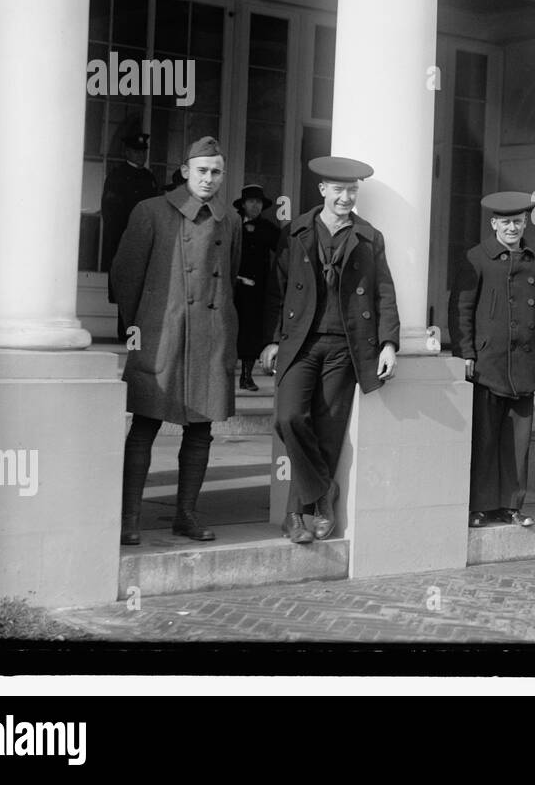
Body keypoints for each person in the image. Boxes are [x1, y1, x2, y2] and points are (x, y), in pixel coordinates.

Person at [260, 157, 399, 544]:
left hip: (346, 346)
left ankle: (295, 516)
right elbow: (277, 291)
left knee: (327, 430)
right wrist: (271, 339)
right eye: (338, 190)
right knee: (288, 418)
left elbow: (384, 292)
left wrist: (389, 343)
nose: (345, 197)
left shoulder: (370, 237)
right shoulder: (295, 232)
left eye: (352, 190)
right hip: (299, 343)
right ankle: (324, 492)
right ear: (323, 190)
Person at [110, 136, 241, 545]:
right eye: (202, 170)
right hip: (161, 332)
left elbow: (230, 275)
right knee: (145, 425)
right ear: (185, 171)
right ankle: (128, 518)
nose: (209, 179)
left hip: (210, 336)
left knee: (201, 431)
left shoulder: (230, 220)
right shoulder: (151, 211)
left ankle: (186, 515)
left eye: (216, 172)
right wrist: (140, 327)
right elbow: (126, 275)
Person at [452, 192, 535, 529]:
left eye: (518, 222)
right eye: (506, 222)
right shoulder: (477, 258)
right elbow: (462, 310)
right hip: (488, 365)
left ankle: (511, 506)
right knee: (484, 439)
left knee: (517, 443)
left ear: (525, 223)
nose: (513, 227)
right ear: (494, 223)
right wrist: (466, 352)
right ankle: (480, 507)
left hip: (524, 367)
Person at [101, 129, 160, 338]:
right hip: (124, 241)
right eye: (136, 151)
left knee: (144, 287)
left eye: (143, 151)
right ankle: (125, 333)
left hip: (147, 240)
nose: (141, 155)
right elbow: (111, 213)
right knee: (126, 286)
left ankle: (139, 333)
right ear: (127, 152)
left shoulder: (149, 178)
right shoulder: (117, 177)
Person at [234, 184, 280, 392]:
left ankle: (246, 376)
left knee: (251, 333)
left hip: (256, 292)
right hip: (231, 288)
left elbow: (285, 250)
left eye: (259, 202)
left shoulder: (268, 228)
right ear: (243, 204)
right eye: (251, 201)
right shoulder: (231, 224)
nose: (255, 206)